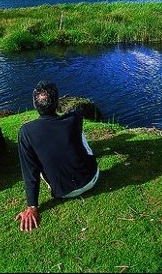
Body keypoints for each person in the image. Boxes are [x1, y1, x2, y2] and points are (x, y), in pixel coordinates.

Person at [16, 81, 99, 232]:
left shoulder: (26, 132)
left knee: (36, 159)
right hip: (91, 178)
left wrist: (32, 206)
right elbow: (75, 111)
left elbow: (30, 172)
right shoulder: (74, 118)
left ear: (35, 105)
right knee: (80, 136)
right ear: (57, 102)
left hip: (64, 192)